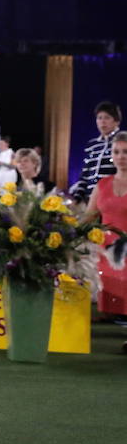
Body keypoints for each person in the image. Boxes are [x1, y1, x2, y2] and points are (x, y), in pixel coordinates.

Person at [85, 132, 127, 322]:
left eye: (125, 152)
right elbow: (88, 216)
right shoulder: (102, 184)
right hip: (105, 249)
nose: (121, 156)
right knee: (110, 310)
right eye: (116, 152)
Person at [70, 101, 120, 202]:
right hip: (90, 198)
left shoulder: (121, 141)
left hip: (113, 198)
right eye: (99, 118)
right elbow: (85, 174)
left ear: (116, 121)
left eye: (107, 117)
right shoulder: (92, 145)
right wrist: (77, 198)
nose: (102, 121)